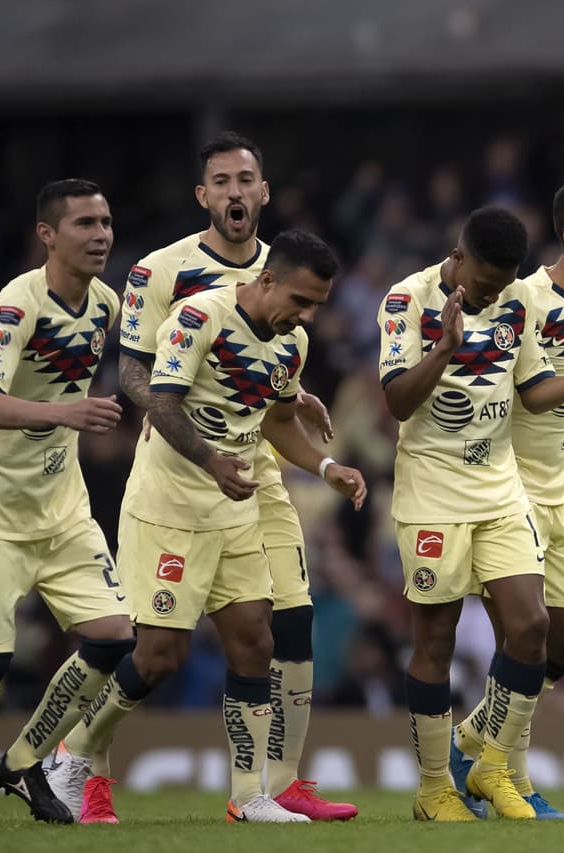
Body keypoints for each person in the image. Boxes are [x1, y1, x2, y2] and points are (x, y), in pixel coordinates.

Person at [50, 132, 356, 823]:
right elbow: (136, 371)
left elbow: (274, 382)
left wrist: (285, 399)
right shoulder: (166, 274)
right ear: (204, 195)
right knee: (153, 649)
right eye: (220, 182)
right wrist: (175, 410)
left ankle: (273, 785)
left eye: (246, 180)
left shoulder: (290, 286)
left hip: (253, 468)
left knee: (284, 621)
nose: (234, 193)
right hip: (182, 464)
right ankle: (84, 771)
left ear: (263, 191)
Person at [378, 206, 564, 822]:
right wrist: (444, 351)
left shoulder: (516, 303)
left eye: (501, 283)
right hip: (431, 494)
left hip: (499, 491)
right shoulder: (407, 301)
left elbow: (532, 391)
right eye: (482, 283)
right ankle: (434, 791)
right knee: (435, 637)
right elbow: (399, 402)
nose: (491, 293)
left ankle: (491, 766)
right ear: (457, 259)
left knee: (533, 627)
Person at [0, 180, 136, 827]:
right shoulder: (18, 302)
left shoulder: (105, 303)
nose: (101, 234)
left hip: (62, 506)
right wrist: (63, 411)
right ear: (48, 234)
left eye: (107, 221)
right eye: (86, 223)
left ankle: (23, 761)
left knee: (113, 637)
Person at [449, 177, 564, 820]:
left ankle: (467, 742)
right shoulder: (522, 300)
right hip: (509, 494)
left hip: (561, 497)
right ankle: (510, 780)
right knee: (523, 639)